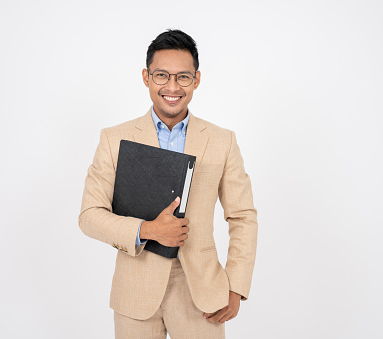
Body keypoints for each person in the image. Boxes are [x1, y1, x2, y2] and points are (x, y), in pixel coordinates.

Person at [79, 29, 258, 339]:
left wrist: (236, 286)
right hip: (134, 293)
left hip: (202, 295)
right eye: (162, 75)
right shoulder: (114, 139)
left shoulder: (222, 141)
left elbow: (243, 217)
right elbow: (90, 216)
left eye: (183, 77)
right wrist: (147, 230)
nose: (172, 87)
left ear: (196, 80)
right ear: (146, 77)